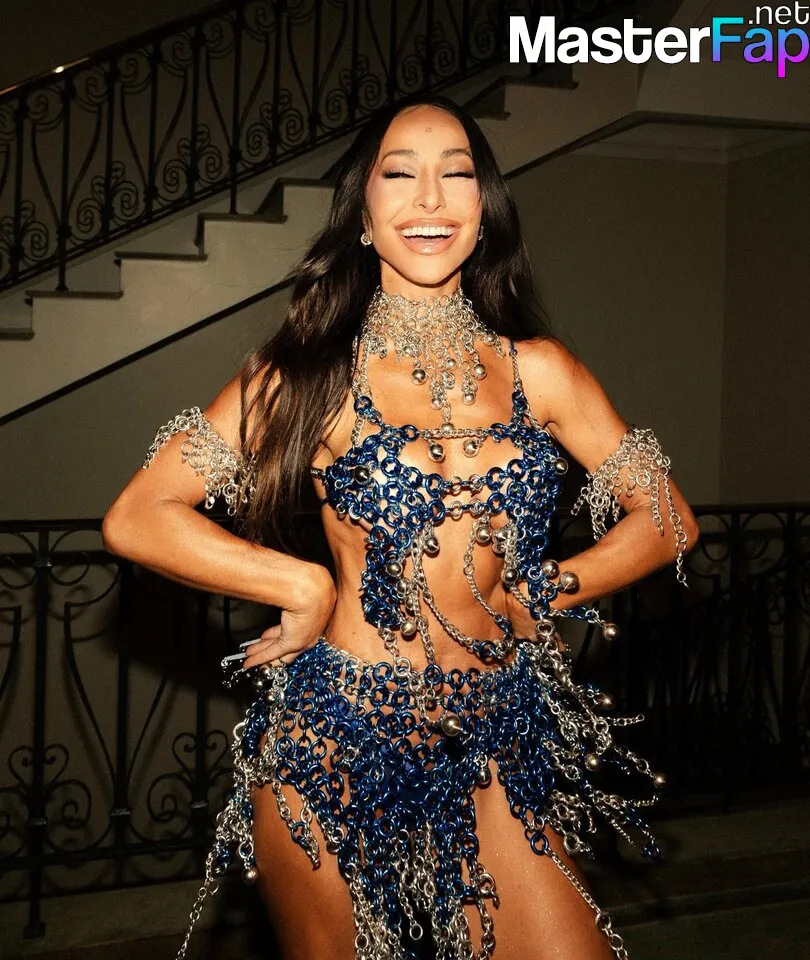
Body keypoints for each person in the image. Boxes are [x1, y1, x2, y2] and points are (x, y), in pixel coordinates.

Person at [102, 91, 700, 960]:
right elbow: (139, 515)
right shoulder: (306, 374)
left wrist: (548, 588)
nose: (429, 198)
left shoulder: (542, 371)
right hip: (335, 740)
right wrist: (299, 584)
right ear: (362, 217)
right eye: (400, 174)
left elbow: (668, 517)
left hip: (497, 736)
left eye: (456, 175)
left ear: (483, 212)